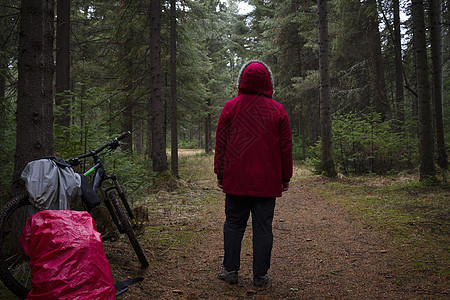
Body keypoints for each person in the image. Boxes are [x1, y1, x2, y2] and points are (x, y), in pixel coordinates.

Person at [214, 60, 293, 287]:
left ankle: (230, 270)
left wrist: (220, 172)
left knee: (233, 224)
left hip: (236, 180)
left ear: (242, 80)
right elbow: (285, 147)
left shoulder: (231, 107)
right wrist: (285, 177)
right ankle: (260, 275)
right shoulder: (278, 110)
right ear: (268, 82)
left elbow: (221, 143)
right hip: (266, 182)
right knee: (263, 227)